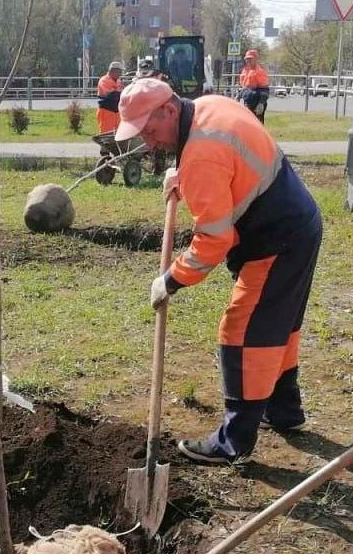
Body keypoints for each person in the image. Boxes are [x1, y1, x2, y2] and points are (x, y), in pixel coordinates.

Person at [115, 78, 323, 465]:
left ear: (170, 110)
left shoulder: (201, 155)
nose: (148, 141)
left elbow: (213, 239)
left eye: (150, 129)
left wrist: (171, 280)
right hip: (299, 221)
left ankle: (234, 441)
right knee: (280, 327)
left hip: (275, 239)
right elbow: (230, 159)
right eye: (140, 133)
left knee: (243, 333)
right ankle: (284, 411)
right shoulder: (208, 108)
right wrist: (181, 172)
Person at [238, 48, 270, 122]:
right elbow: (244, 87)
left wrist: (261, 103)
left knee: (257, 124)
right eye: (246, 59)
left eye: (250, 59)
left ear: (255, 59)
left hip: (257, 103)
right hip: (247, 102)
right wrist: (238, 96)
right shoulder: (245, 71)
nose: (247, 60)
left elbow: (265, 89)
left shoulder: (260, 72)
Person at [96, 60, 124, 136]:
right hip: (106, 111)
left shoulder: (118, 81)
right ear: (113, 71)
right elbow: (110, 95)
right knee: (106, 135)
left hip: (117, 111)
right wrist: (121, 93)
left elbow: (121, 94)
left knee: (119, 135)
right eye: (120, 71)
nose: (121, 73)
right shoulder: (104, 80)